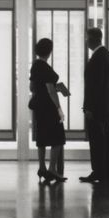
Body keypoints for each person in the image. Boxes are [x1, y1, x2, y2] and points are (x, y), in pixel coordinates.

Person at [28, 37, 69, 185]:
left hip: (39, 107)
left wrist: (45, 89)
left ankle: (42, 167)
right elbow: (51, 91)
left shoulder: (35, 66)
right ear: (49, 52)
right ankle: (52, 168)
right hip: (49, 107)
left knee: (42, 138)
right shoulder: (45, 67)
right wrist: (59, 109)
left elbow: (32, 88)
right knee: (58, 138)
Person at [80, 23, 109, 186]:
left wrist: (89, 108)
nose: (86, 41)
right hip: (107, 106)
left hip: (97, 108)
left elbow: (94, 86)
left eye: (87, 38)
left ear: (92, 40)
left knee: (97, 141)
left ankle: (99, 171)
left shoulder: (97, 58)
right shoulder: (108, 55)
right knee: (107, 138)